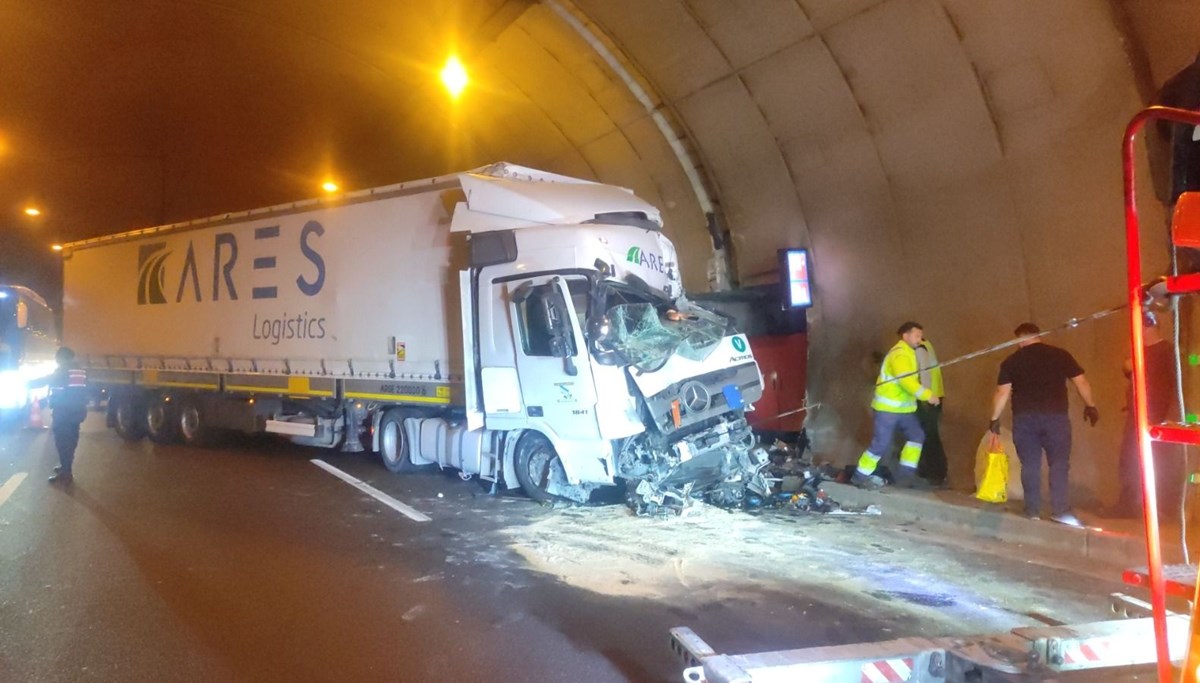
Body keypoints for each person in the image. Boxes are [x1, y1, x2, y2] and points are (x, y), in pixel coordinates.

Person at [989, 323, 1098, 525]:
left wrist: (994, 418)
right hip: (1056, 418)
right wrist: (1090, 405)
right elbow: (1080, 381)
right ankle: (1060, 511)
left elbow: (1002, 392)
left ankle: (1032, 511)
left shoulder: (1012, 361)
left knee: (1030, 464)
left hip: (1025, 420)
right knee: (1059, 464)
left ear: (1020, 338)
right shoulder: (1060, 355)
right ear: (1037, 336)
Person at [853, 322, 940, 490]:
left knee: (916, 436)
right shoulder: (899, 354)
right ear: (905, 336)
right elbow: (906, 380)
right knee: (881, 444)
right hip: (888, 409)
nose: (919, 339)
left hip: (903, 409)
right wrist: (928, 396)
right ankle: (860, 475)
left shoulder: (908, 352)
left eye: (920, 336)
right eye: (916, 336)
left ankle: (906, 475)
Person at [1113, 317, 1178, 517]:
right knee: (1129, 458)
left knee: (1154, 459)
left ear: (1149, 327)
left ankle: (1156, 508)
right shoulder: (1140, 350)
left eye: (1141, 327)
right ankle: (1128, 505)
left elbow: (1173, 382)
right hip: (1136, 413)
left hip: (1154, 415)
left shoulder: (1165, 351)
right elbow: (1128, 369)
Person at [40, 347, 89, 483]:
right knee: (71, 441)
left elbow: (45, 381)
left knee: (62, 443)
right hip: (78, 411)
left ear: (61, 358)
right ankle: (65, 466)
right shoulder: (80, 371)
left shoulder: (61, 371)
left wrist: (26, 383)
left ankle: (66, 474)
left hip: (63, 413)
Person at [913, 337, 947, 486]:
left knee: (928, 436)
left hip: (928, 399)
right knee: (930, 435)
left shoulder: (919, 348)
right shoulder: (927, 345)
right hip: (934, 397)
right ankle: (935, 472)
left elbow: (924, 375)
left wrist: (925, 397)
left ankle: (933, 473)